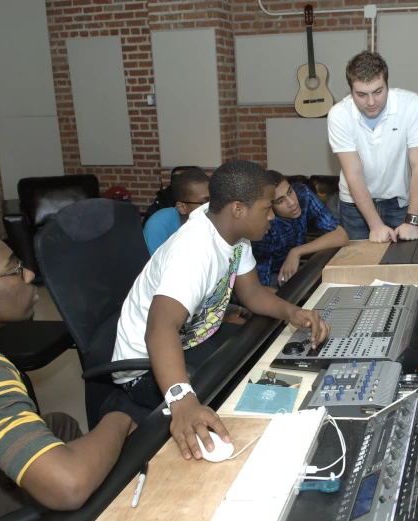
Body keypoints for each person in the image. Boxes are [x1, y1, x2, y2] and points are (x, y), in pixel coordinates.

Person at [111, 160, 330, 461]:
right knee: (233, 410)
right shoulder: (194, 250)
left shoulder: (233, 232)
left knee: (256, 370)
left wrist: (291, 312)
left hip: (191, 339)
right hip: (146, 364)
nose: (272, 216)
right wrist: (182, 401)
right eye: (267, 208)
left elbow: (251, 293)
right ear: (238, 209)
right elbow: (159, 329)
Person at [0, 229, 135, 521]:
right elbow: (68, 487)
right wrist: (119, 417)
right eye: (13, 269)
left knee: (59, 424)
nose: (28, 275)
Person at [327, 50, 418, 243]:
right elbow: (354, 174)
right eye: (361, 94)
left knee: (399, 266)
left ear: (387, 84)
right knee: (359, 266)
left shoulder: (411, 105)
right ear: (350, 91)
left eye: (378, 91)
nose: (371, 102)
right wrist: (375, 226)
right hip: (354, 206)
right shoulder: (339, 115)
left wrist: (413, 220)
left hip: (398, 201)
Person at [251, 171, 349, 289]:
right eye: (281, 201)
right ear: (269, 207)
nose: (292, 202)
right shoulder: (265, 226)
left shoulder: (303, 194)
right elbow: (259, 287)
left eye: (290, 191)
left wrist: (296, 252)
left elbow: (341, 235)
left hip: (295, 264)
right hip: (271, 275)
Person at [143, 168, 210, 255]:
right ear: (182, 207)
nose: (212, 206)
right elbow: (158, 266)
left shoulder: (212, 221)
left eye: (214, 199)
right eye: (204, 202)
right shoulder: (158, 225)